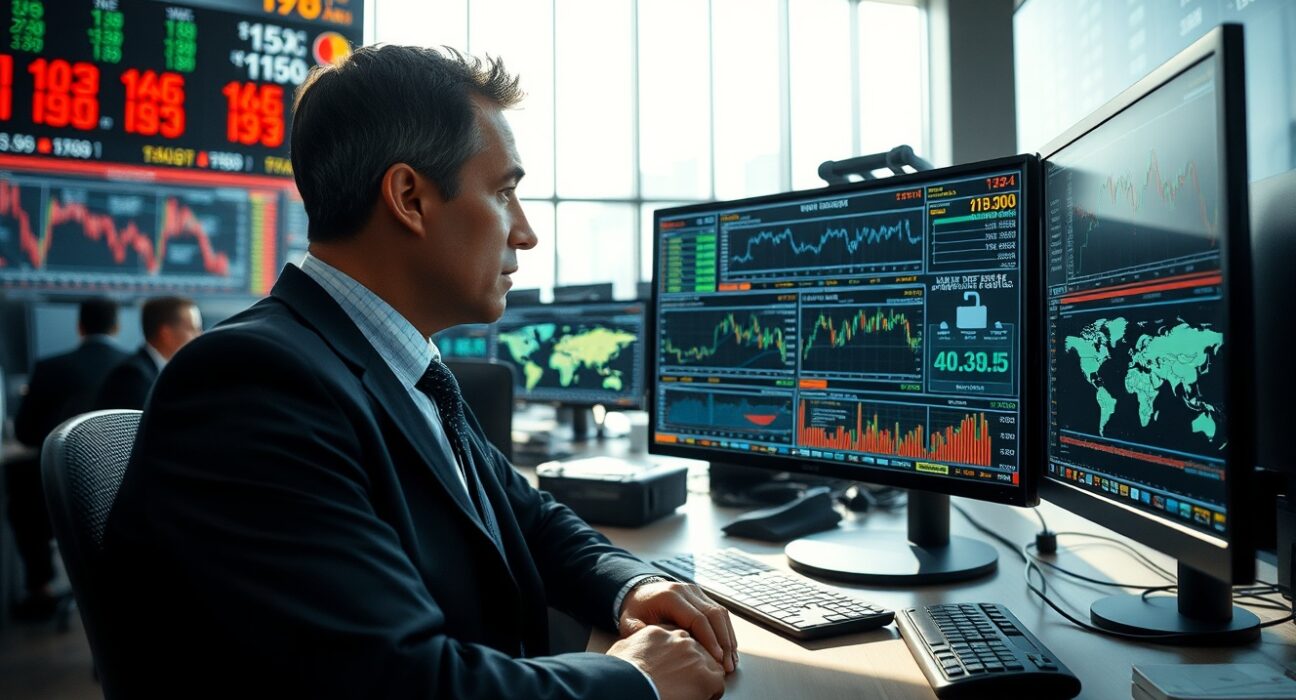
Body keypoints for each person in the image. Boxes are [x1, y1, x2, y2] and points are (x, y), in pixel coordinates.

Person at [100, 46, 736, 698]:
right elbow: (401, 683)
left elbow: (529, 516)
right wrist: (634, 680)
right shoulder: (251, 383)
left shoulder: (400, 365)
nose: (525, 233)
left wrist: (634, 583)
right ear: (410, 198)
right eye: (504, 192)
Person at [10, 297, 128, 620]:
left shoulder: (49, 368)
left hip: (57, 497)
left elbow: (24, 434)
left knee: (21, 493)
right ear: (117, 326)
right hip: (118, 497)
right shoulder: (133, 366)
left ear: (79, 327)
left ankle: (40, 590)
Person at [93, 296, 202, 410]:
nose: (199, 335)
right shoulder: (133, 376)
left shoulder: (168, 371)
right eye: (193, 329)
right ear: (166, 333)